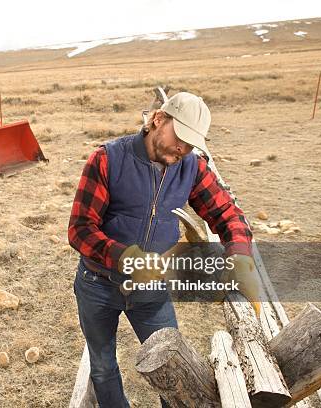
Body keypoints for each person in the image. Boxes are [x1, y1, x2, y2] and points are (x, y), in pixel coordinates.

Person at [68, 92, 261, 407]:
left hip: (152, 290)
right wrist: (126, 257)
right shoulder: (106, 159)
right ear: (158, 119)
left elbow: (228, 214)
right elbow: (80, 230)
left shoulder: (191, 168)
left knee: (173, 366)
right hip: (97, 284)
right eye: (180, 138)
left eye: (191, 143)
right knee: (102, 367)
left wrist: (240, 256)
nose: (183, 148)